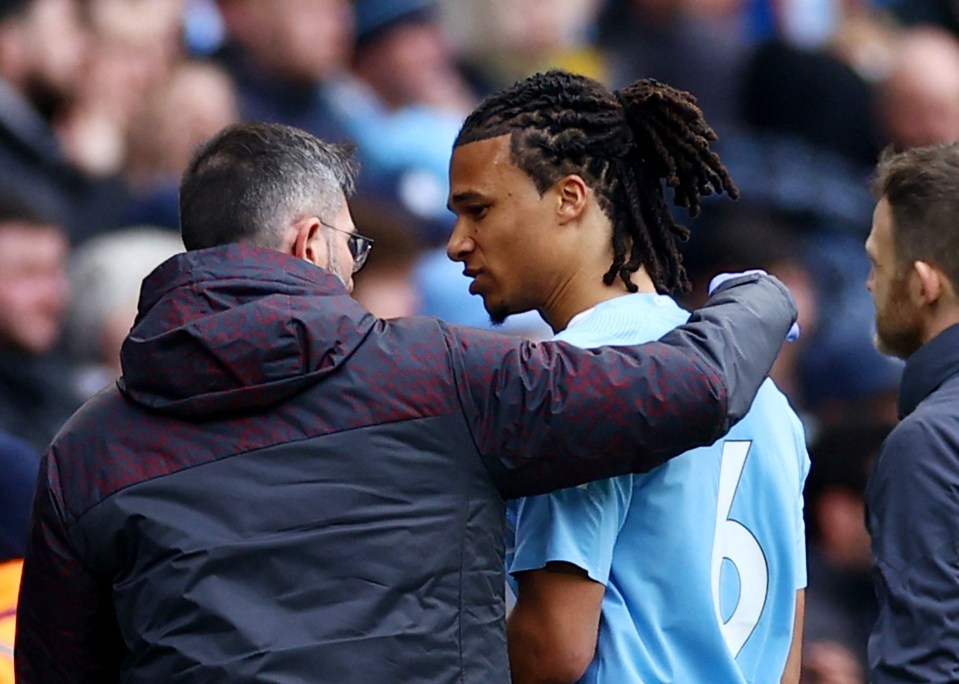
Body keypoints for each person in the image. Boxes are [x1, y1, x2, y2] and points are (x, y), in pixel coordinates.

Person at [15, 121, 797, 683]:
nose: (355, 271)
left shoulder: (85, 450)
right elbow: (691, 388)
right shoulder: (436, 373)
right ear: (308, 243)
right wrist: (759, 292)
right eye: (354, 247)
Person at [445, 70, 809, 682]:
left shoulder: (571, 384)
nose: (458, 243)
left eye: (477, 210)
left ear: (570, 197)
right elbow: (786, 647)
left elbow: (554, 647)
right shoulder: (770, 399)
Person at [863, 141, 959, 681]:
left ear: (925, 285)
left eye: (878, 263)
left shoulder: (929, 446)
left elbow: (922, 667)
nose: (870, 284)